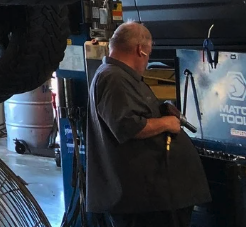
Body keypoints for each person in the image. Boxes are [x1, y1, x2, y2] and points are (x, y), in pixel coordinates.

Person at [86, 21, 210, 227]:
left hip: (153, 200)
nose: (148, 59)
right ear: (140, 50)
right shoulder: (113, 77)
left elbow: (131, 115)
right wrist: (167, 123)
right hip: (144, 203)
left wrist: (159, 111)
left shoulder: (120, 76)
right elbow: (128, 126)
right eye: (149, 53)